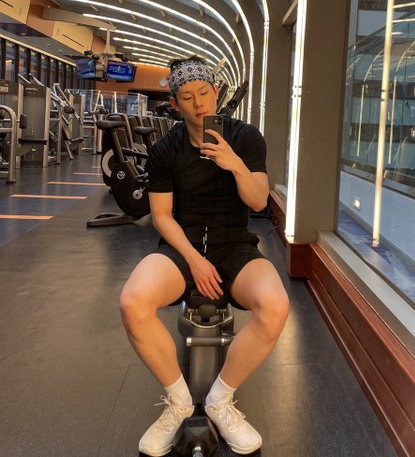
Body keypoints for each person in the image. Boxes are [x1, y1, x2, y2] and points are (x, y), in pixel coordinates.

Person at [120, 55, 290, 456]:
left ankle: (219, 400)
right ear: (175, 104)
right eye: (187, 97)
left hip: (234, 243)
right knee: (132, 301)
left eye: (204, 93)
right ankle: (179, 402)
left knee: (276, 305)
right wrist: (194, 260)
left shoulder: (246, 138)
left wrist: (234, 164)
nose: (198, 104)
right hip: (183, 244)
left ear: (216, 93)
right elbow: (162, 216)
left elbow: (258, 200)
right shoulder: (166, 148)